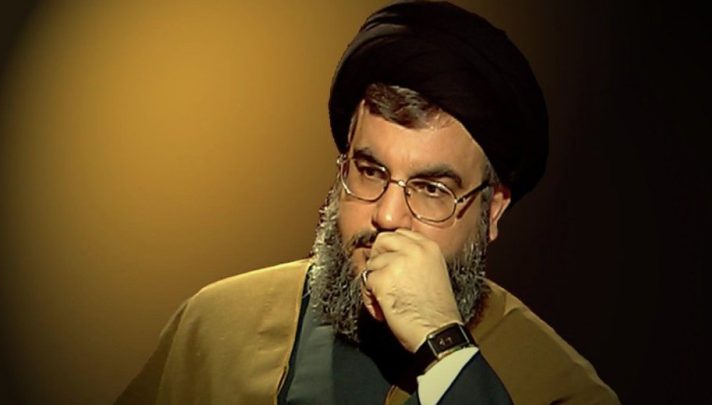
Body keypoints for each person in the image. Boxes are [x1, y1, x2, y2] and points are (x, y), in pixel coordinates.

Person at [117, 1, 619, 404]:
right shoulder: (214, 329)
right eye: (371, 172)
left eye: (432, 189)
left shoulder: (555, 385)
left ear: (492, 211)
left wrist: (443, 346)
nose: (387, 215)